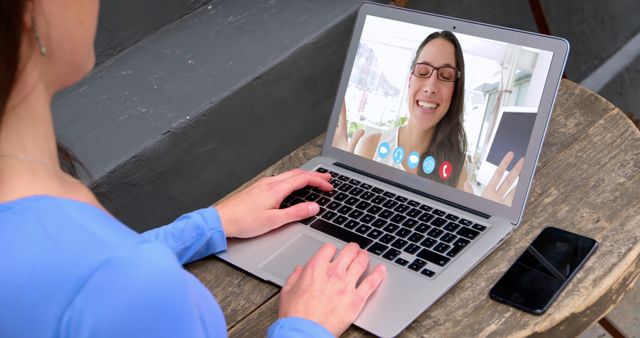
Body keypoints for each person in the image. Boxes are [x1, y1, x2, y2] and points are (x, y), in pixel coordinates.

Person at [0, 0, 386, 337]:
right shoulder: (130, 290)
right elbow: (104, 289)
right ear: (32, 11)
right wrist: (306, 327)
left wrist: (207, 225)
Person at [333, 31, 523, 206]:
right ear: (410, 81)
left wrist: (485, 216)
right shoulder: (370, 147)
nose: (431, 86)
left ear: (455, 92)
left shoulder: (456, 170)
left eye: (446, 76)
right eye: (423, 72)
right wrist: (339, 176)